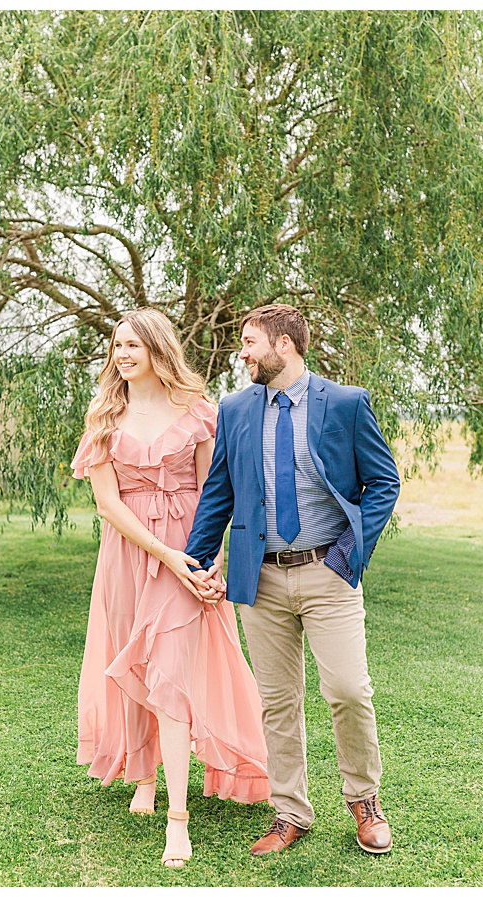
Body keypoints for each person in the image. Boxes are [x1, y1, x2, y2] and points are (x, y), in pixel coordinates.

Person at [180, 303, 400, 857]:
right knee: (277, 701)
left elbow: (384, 482)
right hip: (261, 580)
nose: (243, 352)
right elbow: (220, 492)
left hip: (330, 573)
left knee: (349, 690)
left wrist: (349, 555)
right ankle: (290, 813)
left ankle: (364, 800)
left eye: (250, 341)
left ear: (285, 344)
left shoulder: (347, 403)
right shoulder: (233, 409)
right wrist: (195, 560)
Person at [71, 308, 270, 869]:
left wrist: (208, 565)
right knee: (134, 663)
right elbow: (107, 504)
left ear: (159, 349)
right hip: (130, 555)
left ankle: (178, 820)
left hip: (192, 550)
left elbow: (216, 492)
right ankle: (143, 775)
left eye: (133, 344)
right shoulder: (105, 417)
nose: (123, 354)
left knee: (173, 675)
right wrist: (168, 556)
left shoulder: (198, 412)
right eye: (117, 345)